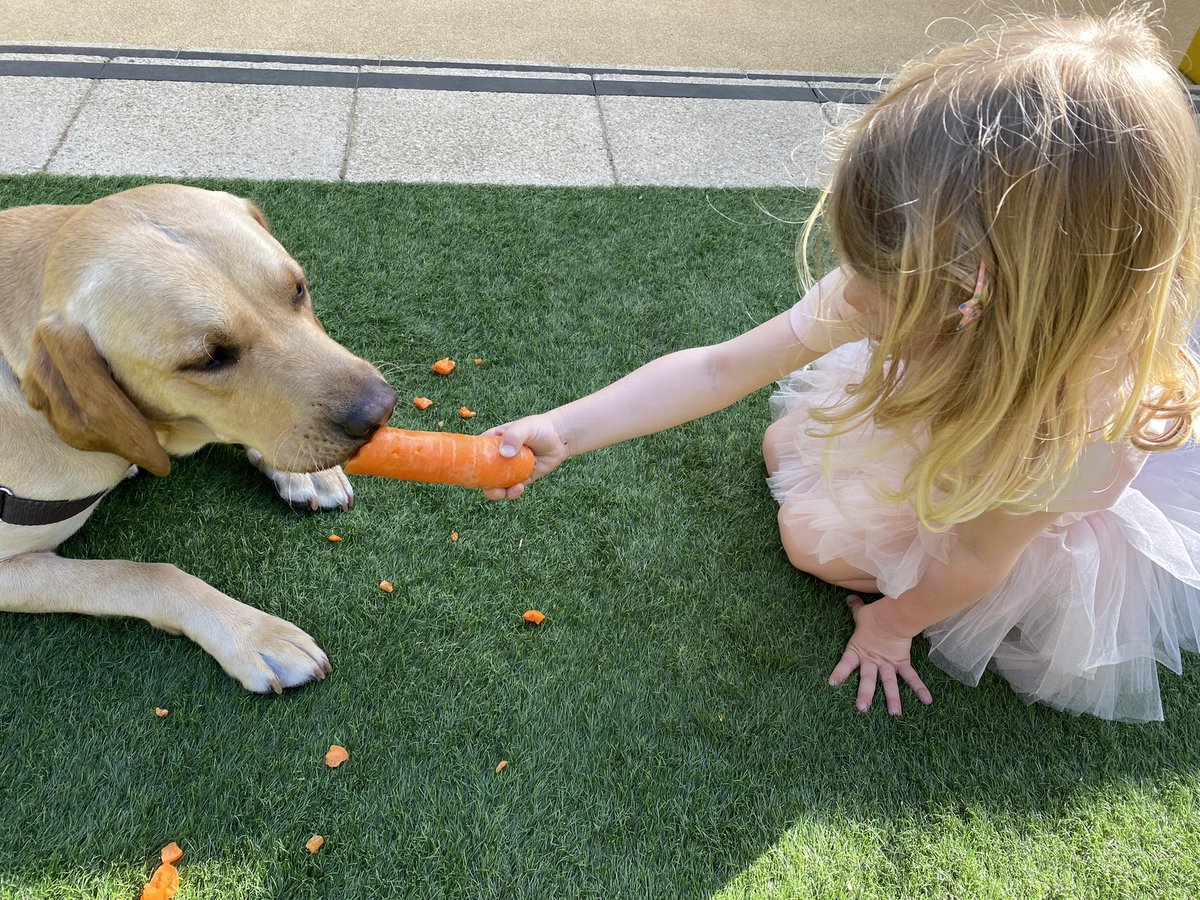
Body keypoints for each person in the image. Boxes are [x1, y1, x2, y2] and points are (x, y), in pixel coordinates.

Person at [484, 9, 1200, 722]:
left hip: (1005, 508)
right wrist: (565, 430)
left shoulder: (1076, 428)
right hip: (956, 421)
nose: (850, 292)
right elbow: (718, 371)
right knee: (782, 446)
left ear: (981, 301)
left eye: (880, 284)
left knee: (808, 540)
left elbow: (979, 561)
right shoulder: (915, 274)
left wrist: (893, 622)